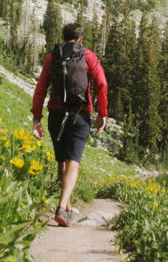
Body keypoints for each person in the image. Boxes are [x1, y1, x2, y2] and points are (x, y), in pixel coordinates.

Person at [31, 22, 108, 227]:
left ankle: (66, 208)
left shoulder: (51, 57)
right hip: (79, 114)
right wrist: (103, 113)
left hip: (56, 114)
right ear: (81, 39)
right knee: (73, 161)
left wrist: (36, 119)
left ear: (63, 37)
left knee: (62, 161)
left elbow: (40, 88)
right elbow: (101, 84)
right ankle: (62, 205)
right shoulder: (88, 56)